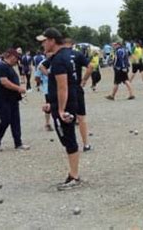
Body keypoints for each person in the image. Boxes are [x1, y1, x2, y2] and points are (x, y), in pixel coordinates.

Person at [37, 28, 81, 190]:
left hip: (66, 106)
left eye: (44, 41)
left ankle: (74, 177)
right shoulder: (62, 56)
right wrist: (52, 104)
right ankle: (73, 174)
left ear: (52, 41)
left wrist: (61, 109)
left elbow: (63, 87)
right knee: (67, 139)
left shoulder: (59, 60)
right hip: (63, 104)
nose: (42, 44)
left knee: (69, 139)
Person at [0, 48, 31, 151]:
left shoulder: (9, 67)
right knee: (5, 120)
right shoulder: (0, 66)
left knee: (15, 121)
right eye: (16, 59)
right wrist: (19, 88)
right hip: (2, 98)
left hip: (13, 98)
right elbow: (4, 82)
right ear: (12, 57)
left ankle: (18, 143)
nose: (17, 61)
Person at [65, 38, 93, 152]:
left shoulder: (58, 56)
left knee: (67, 116)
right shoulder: (78, 54)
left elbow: (42, 66)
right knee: (81, 117)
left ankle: (71, 144)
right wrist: (84, 80)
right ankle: (86, 144)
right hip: (76, 88)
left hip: (64, 89)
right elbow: (91, 66)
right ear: (73, 45)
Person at [35, 60, 53, 131]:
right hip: (48, 88)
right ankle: (47, 123)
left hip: (59, 88)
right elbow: (37, 77)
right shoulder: (42, 64)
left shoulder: (58, 59)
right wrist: (43, 83)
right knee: (48, 106)